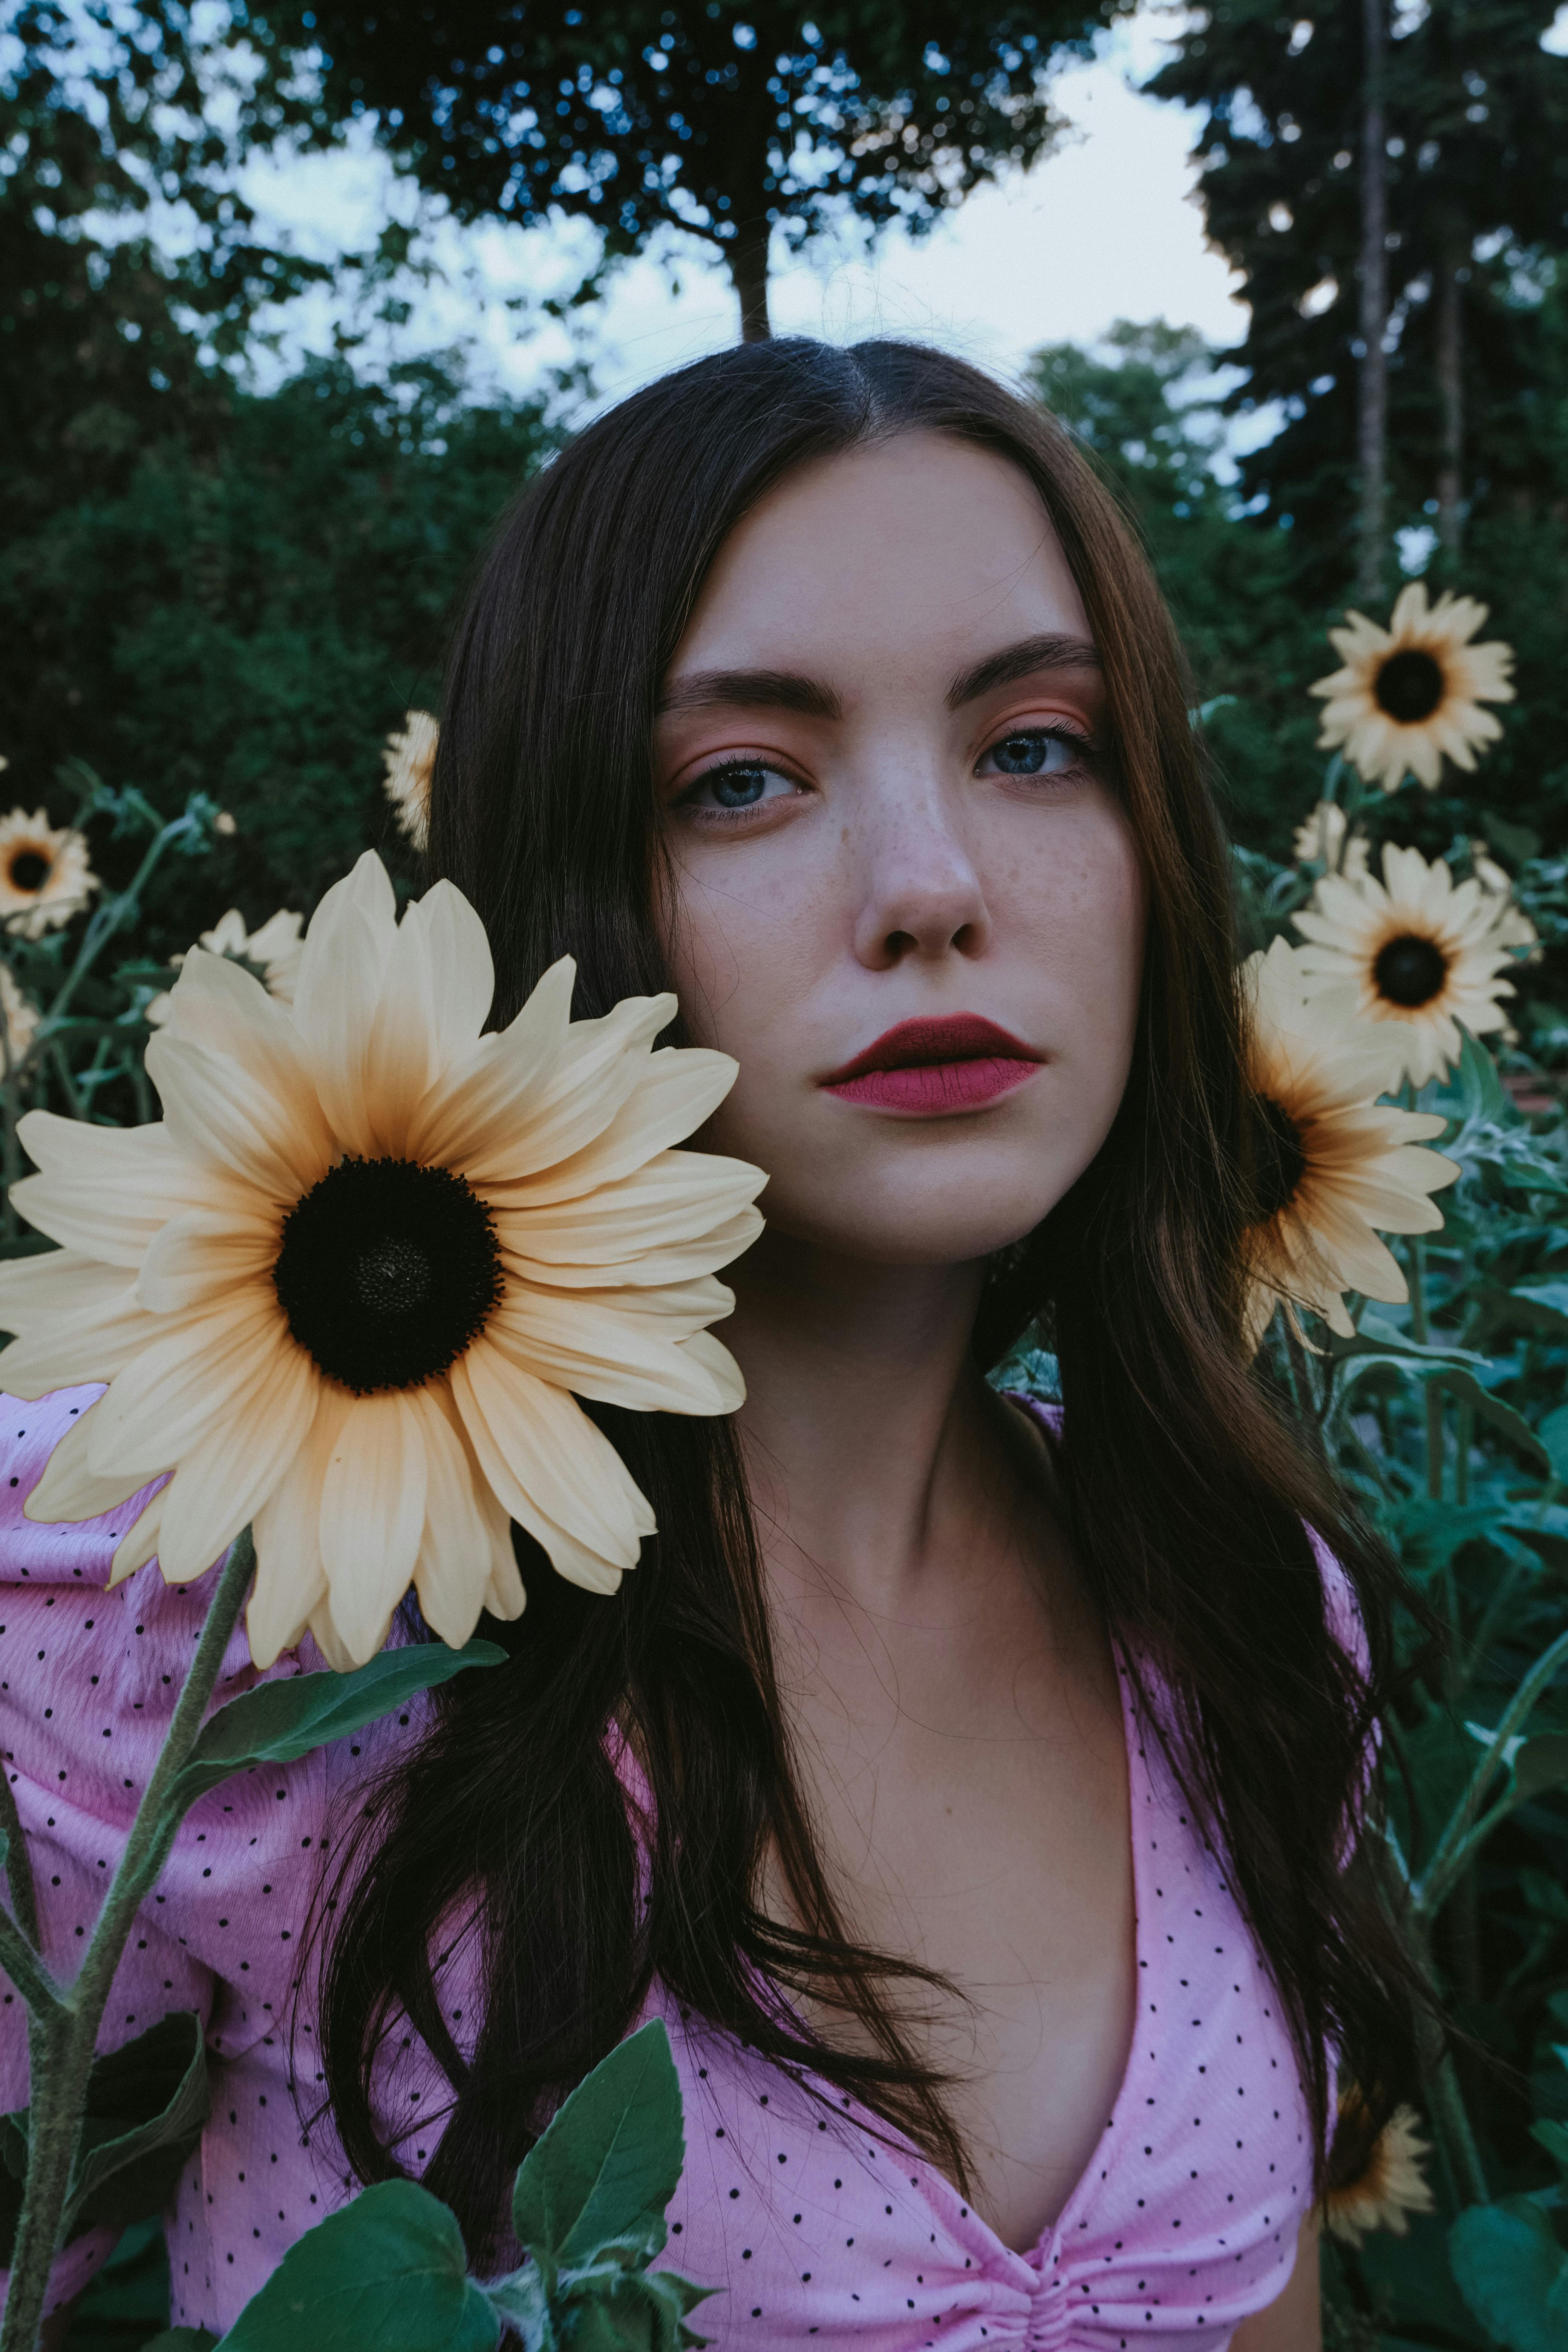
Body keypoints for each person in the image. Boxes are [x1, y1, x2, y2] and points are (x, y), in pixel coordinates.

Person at [0, 338, 1419, 2350]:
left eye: (1037, 745)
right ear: (572, 871)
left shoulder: (1247, 1622)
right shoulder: (240, 1589)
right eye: (742, 780)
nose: (931, 890)